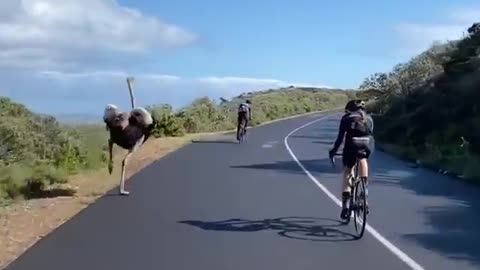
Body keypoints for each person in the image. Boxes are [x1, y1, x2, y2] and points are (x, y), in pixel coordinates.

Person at [329, 99, 374, 220]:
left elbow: (340, 138)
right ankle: (364, 187)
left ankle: (345, 206)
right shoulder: (368, 118)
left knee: (348, 171)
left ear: (349, 109)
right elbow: (371, 134)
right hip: (366, 144)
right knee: (363, 158)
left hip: (351, 145)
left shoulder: (346, 118)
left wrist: (333, 151)